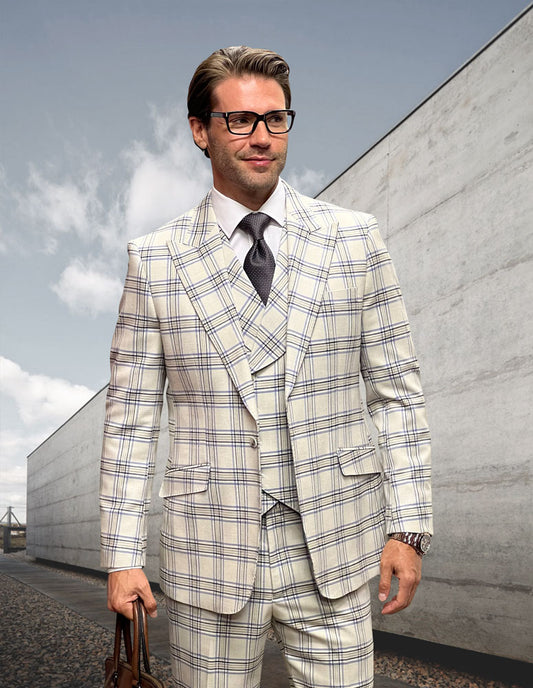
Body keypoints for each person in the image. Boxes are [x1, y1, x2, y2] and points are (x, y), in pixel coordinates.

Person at [100, 45, 432, 688]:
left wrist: (409, 527)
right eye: (240, 121)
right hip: (210, 561)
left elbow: (399, 396)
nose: (262, 137)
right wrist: (121, 555)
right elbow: (131, 420)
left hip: (336, 546)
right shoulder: (156, 259)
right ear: (200, 130)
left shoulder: (356, 239)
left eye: (276, 119)